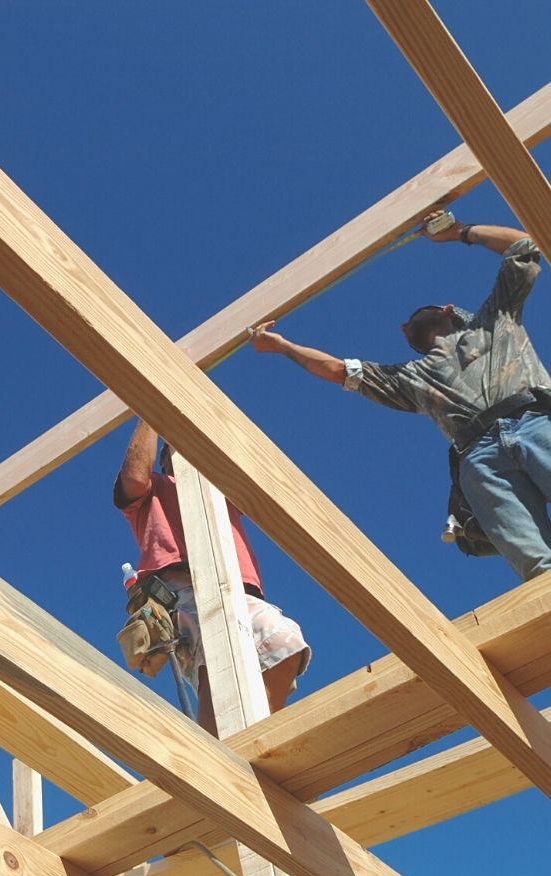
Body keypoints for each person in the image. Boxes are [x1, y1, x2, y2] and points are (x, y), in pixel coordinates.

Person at [250, 211, 551, 581]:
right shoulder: (410, 377)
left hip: (535, 421)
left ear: (447, 311)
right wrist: (281, 346)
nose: (406, 323)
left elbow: (524, 246)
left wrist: (459, 232)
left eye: (416, 315)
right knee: (539, 567)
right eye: (405, 325)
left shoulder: (494, 319)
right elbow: (339, 371)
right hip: (479, 458)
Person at [115, 417, 310, 736]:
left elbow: (257, 482)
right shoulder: (155, 492)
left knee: (283, 640)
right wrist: (153, 411)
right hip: (180, 589)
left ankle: (249, 743)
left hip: (237, 589)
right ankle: (220, 757)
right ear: (165, 461)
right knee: (216, 667)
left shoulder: (224, 496)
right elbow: (134, 476)